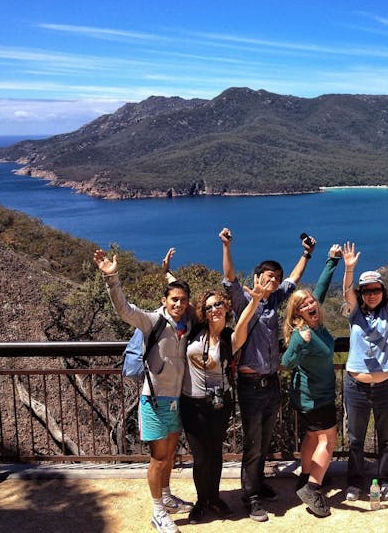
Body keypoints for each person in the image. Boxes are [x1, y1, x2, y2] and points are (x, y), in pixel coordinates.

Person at [93, 248, 194, 533]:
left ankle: (166, 496)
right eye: (174, 299)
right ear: (164, 300)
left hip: (175, 400)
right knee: (159, 458)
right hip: (154, 401)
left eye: (183, 300)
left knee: (170, 454)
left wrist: (169, 273)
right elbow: (124, 309)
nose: (179, 303)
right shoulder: (152, 321)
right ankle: (158, 512)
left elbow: (184, 296)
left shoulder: (185, 324)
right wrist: (111, 278)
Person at [220, 226, 315, 523]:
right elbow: (230, 279)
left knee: (264, 442)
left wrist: (307, 254)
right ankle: (250, 497)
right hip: (249, 385)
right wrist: (226, 246)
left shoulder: (274, 301)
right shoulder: (242, 302)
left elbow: (294, 278)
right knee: (252, 443)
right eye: (268, 276)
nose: (273, 280)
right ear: (258, 276)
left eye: (276, 277)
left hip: (271, 384)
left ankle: (258, 484)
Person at [180, 273, 272, 524]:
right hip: (192, 403)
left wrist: (254, 300)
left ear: (225, 306)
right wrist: (167, 271)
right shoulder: (195, 330)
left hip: (219, 405)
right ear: (203, 312)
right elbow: (179, 297)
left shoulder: (230, 338)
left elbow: (244, 323)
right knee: (200, 457)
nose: (214, 310)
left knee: (215, 453)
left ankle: (214, 498)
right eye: (208, 307)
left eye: (218, 304)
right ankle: (202, 501)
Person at [340, 235, 388, 503]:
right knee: (355, 439)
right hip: (356, 386)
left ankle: (385, 481)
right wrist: (349, 269)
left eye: (375, 290)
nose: (371, 294)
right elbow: (347, 292)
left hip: (386, 386)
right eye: (366, 290)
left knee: (386, 438)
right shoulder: (354, 313)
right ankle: (356, 483)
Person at [281, 243, 342, 517]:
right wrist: (297, 345)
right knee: (328, 441)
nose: (310, 304)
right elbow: (285, 363)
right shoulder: (301, 333)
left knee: (313, 436)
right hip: (315, 396)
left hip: (311, 396)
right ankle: (313, 488)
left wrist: (331, 260)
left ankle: (305, 476)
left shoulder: (315, 320)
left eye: (311, 302)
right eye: (303, 305)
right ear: (297, 315)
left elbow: (320, 290)